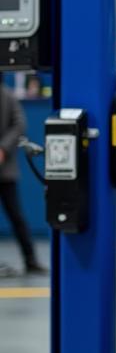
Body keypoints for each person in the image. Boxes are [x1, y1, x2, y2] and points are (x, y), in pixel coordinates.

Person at [0, 83, 46, 276]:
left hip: (5, 171)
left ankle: (31, 260)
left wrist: (3, 148)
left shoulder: (8, 96)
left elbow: (19, 124)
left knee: (16, 216)